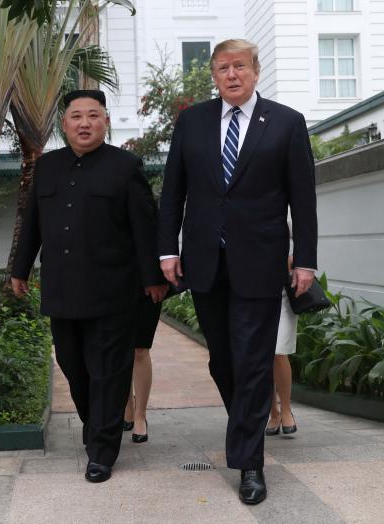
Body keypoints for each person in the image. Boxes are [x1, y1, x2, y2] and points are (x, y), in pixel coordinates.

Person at [158, 39, 317, 505]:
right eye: (223, 67)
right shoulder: (192, 122)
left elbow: (302, 198)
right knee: (222, 359)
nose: (232, 74)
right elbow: (173, 193)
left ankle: (250, 462)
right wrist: (168, 251)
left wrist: (304, 258)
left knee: (252, 360)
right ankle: (246, 426)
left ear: (255, 71)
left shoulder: (286, 123)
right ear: (213, 75)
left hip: (262, 262)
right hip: (205, 262)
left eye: (240, 66)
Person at [11, 90, 167, 483]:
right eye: (76, 116)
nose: (84, 123)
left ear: (105, 122)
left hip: (114, 289)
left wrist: (153, 278)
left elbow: (145, 226)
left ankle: (101, 450)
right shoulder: (47, 167)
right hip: (62, 288)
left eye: (93, 115)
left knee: (109, 372)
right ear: (64, 125)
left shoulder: (126, 166)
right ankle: (96, 423)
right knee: (73, 365)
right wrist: (20, 268)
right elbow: (31, 221)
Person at [266, 255, 298, 436]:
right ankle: (273, 414)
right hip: (253, 290)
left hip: (283, 291)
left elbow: (303, 237)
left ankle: (286, 409)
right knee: (263, 355)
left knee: (278, 351)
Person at [123, 295, 162, 443]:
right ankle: (128, 407)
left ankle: (140, 415)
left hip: (146, 283)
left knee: (140, 347)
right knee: (120, 349)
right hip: (113, 281)